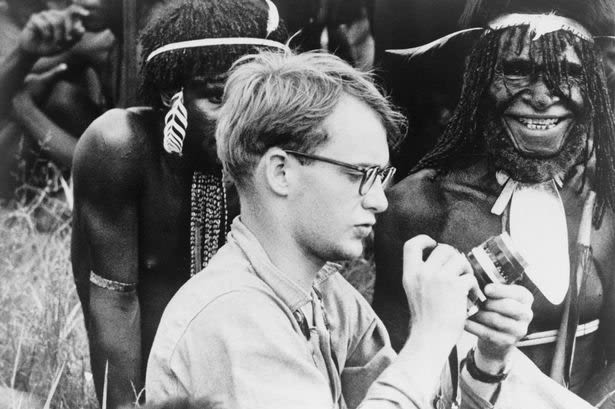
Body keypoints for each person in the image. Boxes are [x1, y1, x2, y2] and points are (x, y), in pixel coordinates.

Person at [145, 49, 591, 409]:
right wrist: (431, 336)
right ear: (281, 172)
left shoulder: (327, 297)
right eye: (361, 174)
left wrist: (487, 361)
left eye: (382, 177)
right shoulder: (235, 317)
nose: (379, 200)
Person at [373, 0, 615, 405]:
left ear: (591, 86)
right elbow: (393, 363)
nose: (543, 97)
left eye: (569, 73)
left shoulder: (602, 203)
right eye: (517, 70)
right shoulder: (418, 205)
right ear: (479, 77)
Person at [70, 1, 288, 408]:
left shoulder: (274, 159)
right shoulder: (119, 146)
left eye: (254, 95)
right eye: (218, 96)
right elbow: (115, 301)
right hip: (148, 385)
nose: (240, 118)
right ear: (171, 94)